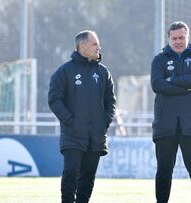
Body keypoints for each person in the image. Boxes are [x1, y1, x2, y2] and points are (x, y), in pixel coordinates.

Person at [48, 30, 116, 203]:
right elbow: (54, 100)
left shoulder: (103, 72)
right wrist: (71, 121)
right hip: (73, 135)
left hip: (96, 136)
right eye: (95, 44)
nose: (98, 47)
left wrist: (105, 122)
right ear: (83, 46)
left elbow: (111, 101)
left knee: (88, 178)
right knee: (71, 173)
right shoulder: (64, 71)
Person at [151, 21, 191, 203]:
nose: (178, 41)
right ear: (169, 38)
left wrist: (171, 81)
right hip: (165, 126)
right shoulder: (159, 60)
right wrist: (187, 85)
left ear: (187, 37)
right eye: (174, 38)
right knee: (163, 172)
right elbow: (157, 85)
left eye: (181, 37)